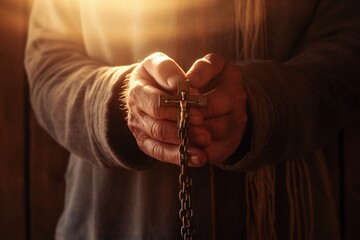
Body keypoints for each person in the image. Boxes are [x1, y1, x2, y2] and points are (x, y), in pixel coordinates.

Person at [25, 0, 359, 239]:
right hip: (119, 220)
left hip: (284, 216)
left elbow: (348, 47)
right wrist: (117, 102)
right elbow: (49, 64)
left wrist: (264, 101)